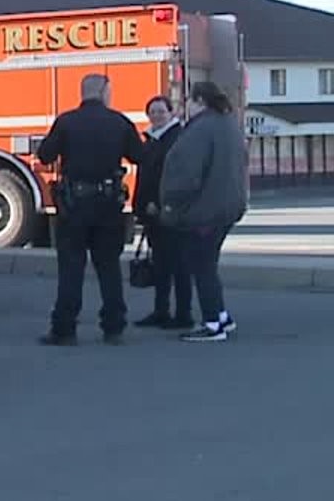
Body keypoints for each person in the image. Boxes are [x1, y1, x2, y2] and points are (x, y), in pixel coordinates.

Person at [36, 73, 143, 346]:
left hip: (74, 205)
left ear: (83, 92)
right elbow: (139, 156)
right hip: (108, 204)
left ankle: (64, 329)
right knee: (108, 267)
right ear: (105, 92)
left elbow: (45, 155)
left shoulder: (67, 121)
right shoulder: (119, 122)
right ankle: (113, 327)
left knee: (71, 267)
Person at [159, 81, 249, 342]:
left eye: (189, 99)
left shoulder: (200, 130)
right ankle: (221, 316)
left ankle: (212, 323)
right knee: (208, 263)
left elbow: (186, 174)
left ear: (199, 100)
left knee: (202, 266)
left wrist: (172, 205)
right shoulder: (229, 124)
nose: (186, 104)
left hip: (204, 211)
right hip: (227, 207)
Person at [133, 95, 193, 329]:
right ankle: (161, 311)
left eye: (161, 111)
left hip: (169, 211)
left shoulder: (175, 138)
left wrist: (159, 203)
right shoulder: (152, 138)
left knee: (178, 264)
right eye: (153, 112)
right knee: (161, 264)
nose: (156, 116)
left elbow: (172, 176)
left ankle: (183, 314)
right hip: (153, 212)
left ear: (171, 113)